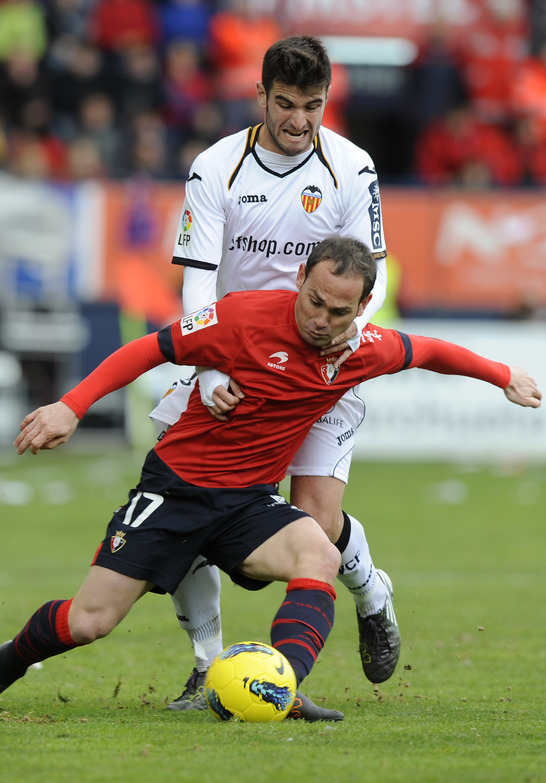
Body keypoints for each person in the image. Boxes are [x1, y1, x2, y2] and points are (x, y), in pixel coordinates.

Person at [0, 236, 542, 717]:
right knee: (89, 622)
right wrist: (70, 406)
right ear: (301, 280)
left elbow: (431, 351)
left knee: (318, 553)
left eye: (339, 311)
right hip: (174, 490)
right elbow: (148, 350)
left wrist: (502, 375)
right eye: (314, 301)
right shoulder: (241, 317)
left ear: (361, 308)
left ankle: (278, 688)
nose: (322, 319)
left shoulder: (365, 348)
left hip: (249, 504)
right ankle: (0, 668)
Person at [151, 34, 395, 713]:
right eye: (285, 104)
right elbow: (199, 286)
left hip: (321, 360)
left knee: (316, 514)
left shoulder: (353, 168)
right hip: (234, 362)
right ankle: (207, 666)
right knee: (184, 505)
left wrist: (344, 335)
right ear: (259, 96)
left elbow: (371, 277)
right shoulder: (214, 168)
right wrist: (205, 368)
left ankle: (371, 592)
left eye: (312, 106)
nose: (298, 121)